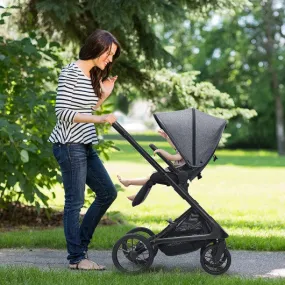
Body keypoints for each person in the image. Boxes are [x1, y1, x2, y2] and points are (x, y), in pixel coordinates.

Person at [48, 30, 121, 270]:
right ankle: (77, 259)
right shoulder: (71, 72)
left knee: (108, 193)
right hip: (69, 145)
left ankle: (81, 248)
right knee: (74, 202)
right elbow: (63, 113)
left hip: (85, 144)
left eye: (112, 56)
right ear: (96, 47)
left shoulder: (91, 74)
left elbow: (87, 109)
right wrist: (101, 120)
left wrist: (104, 96)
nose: (109, 60)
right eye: (108, 54)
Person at [117, 129, 185, 201]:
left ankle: (129, 183)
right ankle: (136, 193)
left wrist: (161, 151)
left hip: (175, 175)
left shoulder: (185, 153)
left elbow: (172, 157)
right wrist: (167, 137)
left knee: (152, 178)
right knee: (151, 178)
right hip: (174, 172)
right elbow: (175, 146)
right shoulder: (187, 151)